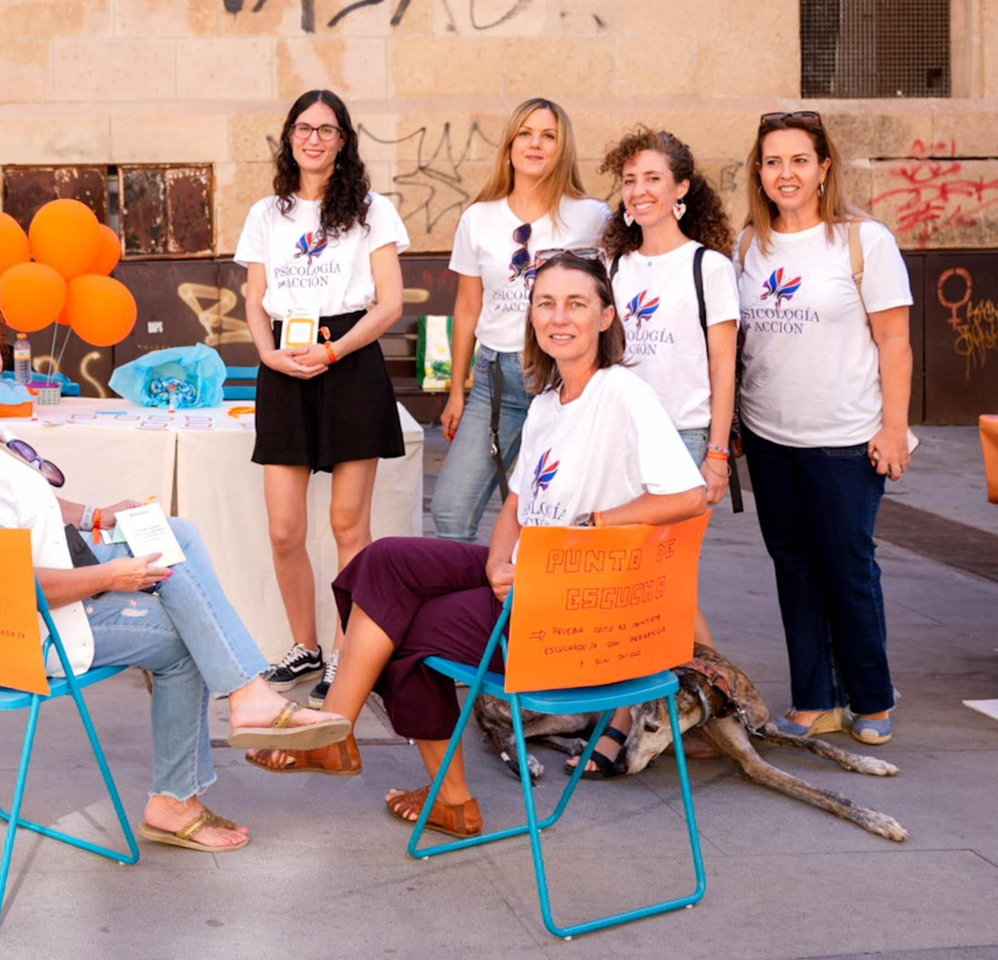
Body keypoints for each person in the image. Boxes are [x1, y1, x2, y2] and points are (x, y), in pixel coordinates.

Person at [0, 281, 352, 852]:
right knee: (184, 638)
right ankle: (179, 796)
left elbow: (19, 502)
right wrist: (111, 577)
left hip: (9, 588)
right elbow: (14, 589)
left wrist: (98, 516)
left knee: (173, 533)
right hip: (3, 633)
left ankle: (248, 694)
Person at [248, 254, 706, 823]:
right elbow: (515, 504)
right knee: (387, 560)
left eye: (576, 304)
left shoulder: (623, 394)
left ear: (606, 317)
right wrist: (494, 564)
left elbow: (689, 497)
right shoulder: (545, 404)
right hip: (525, 573)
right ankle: (343, 737)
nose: (558, 317)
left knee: (400, 632)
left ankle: (445, 795)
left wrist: (594, 524)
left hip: (574, 605)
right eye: (546, 303)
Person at [737, 111, 914, 746]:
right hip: (769, 433)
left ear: (823, 167)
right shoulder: (748, 245)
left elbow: (894, 342)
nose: (786, 173)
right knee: (794, 565)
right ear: (759, 172)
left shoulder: (864, 242)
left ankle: (870, 697)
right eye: (773, 161)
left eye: (798, 160)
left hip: (846, 436)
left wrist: (894, 429)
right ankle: (814, 696)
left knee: (847, 564)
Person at [235, 89, 409, 709]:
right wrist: (267, 353)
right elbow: (254, 299)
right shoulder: (266, 213)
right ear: (289, 137)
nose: (314, 139)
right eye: (304, 128)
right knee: (284, 530)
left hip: (349, 359)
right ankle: (304, 645)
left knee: (347, 527)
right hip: (284, 360)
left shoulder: (371, 209)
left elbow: (389, 301)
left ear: (343, 140)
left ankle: (345, 654)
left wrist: (335, 352)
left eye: (327, 130)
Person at [432, 97, 610, 545]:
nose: (536, 144)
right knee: (451, 511)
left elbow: (611, 306)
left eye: (548, 135)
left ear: (562, 147)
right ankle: (476, 613)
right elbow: (468, 307)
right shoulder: (478, 218)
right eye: (525, 133)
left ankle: (542, 612)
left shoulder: (592, 217)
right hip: (497, 382)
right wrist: (457, 389)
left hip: (565, 382)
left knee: (555, 517)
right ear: (509, 145)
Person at [600, 129, 738, 656]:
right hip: (621, 440)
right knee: (626, 581)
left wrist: (718, 455)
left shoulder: (709, 268)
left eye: (653, 178)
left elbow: (723, 368)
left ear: (681, 187)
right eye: (630, 179)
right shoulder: (612, 265)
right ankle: (642, 710)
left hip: (684, 439)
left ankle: (712, 700)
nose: (639, 190)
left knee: (670, 581)